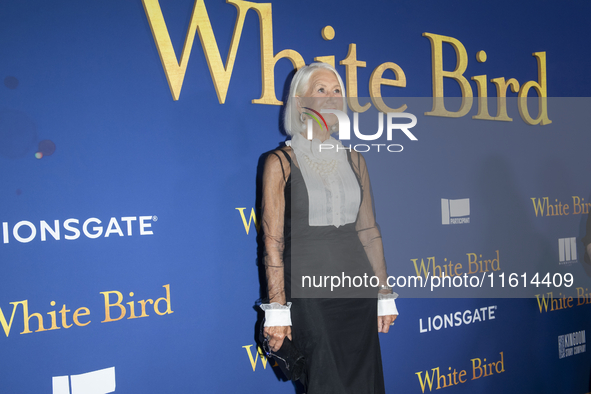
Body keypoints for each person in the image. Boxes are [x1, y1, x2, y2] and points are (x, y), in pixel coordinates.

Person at [260, 62, 398, 393]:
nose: (332, 97)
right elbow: (272, 241)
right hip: (310, 296)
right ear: (299, 102)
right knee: (325, 384)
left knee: (365, 383)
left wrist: (383, 294)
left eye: (337, 91)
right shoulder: (279, 162)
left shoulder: (355, 159)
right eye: (321, 90)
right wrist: (277, 310)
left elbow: (368, 232)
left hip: (357, 289)